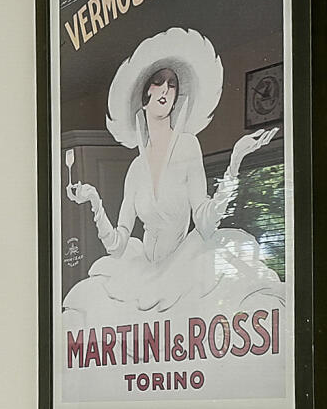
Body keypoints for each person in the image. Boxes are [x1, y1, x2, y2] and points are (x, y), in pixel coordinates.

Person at [61, 28, 282, 330]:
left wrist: (235, 161)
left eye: (172, 85)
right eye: (159, 82)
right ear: (145, 96)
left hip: (182, 267)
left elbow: (205, 221)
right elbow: (117, 246)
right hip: (140, 273)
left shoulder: (188, 146)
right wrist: (94, 201)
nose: (166, 89)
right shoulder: (136, 168)